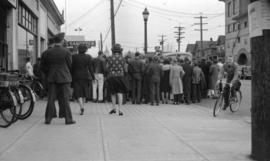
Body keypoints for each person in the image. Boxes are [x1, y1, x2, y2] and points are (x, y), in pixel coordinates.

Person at [40, 32, 75, 125]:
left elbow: (43, 67)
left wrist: (49, 73)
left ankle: (48, 118)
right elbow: (70, 65)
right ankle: (68, 119)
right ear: (62, 40)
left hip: (52, 78)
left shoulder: (46, 52)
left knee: (51, 98)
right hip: (64, 78)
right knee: (65, 99)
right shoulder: (66, 51)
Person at [71, 44, 93, 115]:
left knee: (78, 92)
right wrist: (92, 76)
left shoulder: (74, 56)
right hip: (85, 76)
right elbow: (90, 68)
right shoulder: (88, 57)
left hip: (76, 76)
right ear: (86, 49)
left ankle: (81, 106)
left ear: (78, 49)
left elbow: (72, 67)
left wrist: (71, 75)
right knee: (83, 92)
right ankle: (82, 106)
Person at [106, 44, 127, 116]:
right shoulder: (123, 58)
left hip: (112, 77)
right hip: (120, 77)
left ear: (113, 51)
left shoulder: (109, 58)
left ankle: (113, 108)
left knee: (113, 93)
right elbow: (125, 69)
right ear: (120, 51)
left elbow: (107, 67)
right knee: (120, 93)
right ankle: (120, 110)